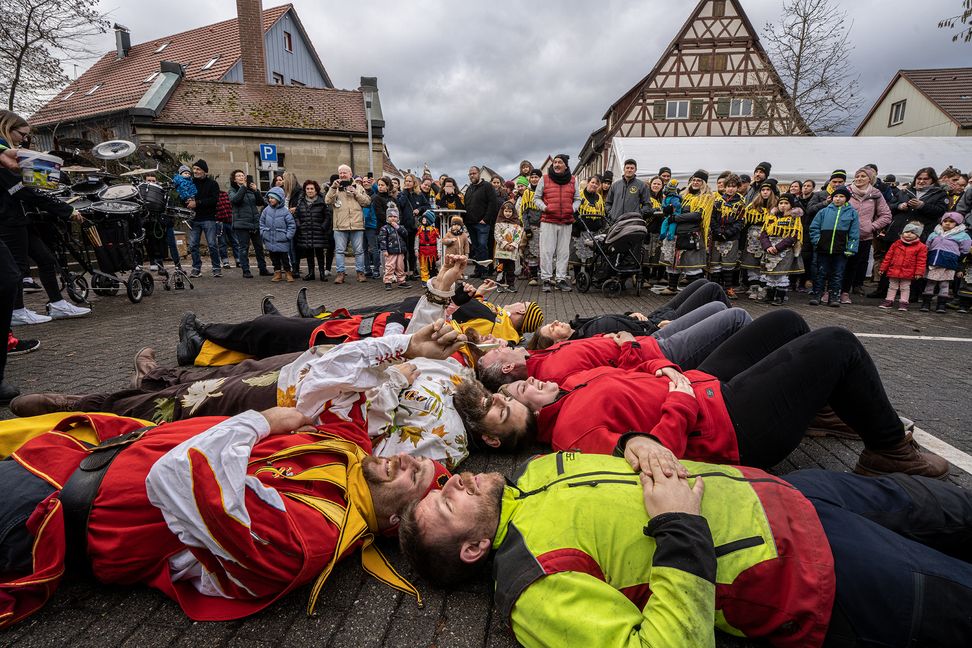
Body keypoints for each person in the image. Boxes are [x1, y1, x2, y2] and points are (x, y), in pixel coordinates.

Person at [401, 450, 972, 647]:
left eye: (443, 487)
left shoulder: (535, 471)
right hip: (807, 572)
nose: (453, 481)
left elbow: (622, 453)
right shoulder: (533, 584)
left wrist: (638, 440)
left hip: (798, 490)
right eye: (448, 504)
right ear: (474, 549)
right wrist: (678, 525)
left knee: (957, 510)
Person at [0, 405, 451, 628]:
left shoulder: (311, 538)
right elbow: (325, 378)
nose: (407, 460)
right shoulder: (354, 459)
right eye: (416, 459)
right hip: (63, 452)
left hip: (41, 511)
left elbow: (177, 478)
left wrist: (259, 421)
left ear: (394, 523)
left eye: (415, 477)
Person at [453, 307, 947, 478]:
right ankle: (889, 452)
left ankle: (815, 406)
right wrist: (681, 396)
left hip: (706, 385)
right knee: (837, 343)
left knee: (787, 322)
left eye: (512, 386)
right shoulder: (574, 438)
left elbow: (633, 355)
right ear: (500, 439)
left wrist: (668, 370)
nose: (520, 388)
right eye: (508, 401)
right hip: (732, 428)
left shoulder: (565, 385)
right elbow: (660, 453)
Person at [481, 302, 751, 393]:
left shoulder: (538, 357)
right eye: (493, 350)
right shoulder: (551, 374)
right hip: (656, 353)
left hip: (650, 340)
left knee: (716, 306)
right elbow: (616, 376)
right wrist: (626, 342)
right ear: (506, 366)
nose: (498, 344)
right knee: (735, 317)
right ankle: (751, 366)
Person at [842, 167, 891, 303]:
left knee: (857, 263)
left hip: (864, 236)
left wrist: (872, 227)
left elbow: (886, 215)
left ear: (870, 179)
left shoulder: (876, 194)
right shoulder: (845, 191)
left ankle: (853, 287)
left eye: (863, 176)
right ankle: (837, 289)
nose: (859, 178)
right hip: (844, 235)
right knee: (842, 263)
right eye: (857, 176)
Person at [660, 170, 713, 293]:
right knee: (673, 262)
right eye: (694, 180)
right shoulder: (683, 195)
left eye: (699, 180)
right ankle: (672, 287)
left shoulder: (706, 197)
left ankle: (698, 291)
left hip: (691, 234)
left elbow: (697, 215)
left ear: (704, 183)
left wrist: (676, 218)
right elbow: (674, 209)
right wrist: (668, 210)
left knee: (691, 264)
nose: (695, 182)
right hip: (676, 233)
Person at [533, 154, 579, 292]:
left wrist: (572, 208)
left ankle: (560, 279)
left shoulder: (573, 180)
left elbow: (578, 198)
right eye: (555, 162)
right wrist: (545, 208)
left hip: (566, 221)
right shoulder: (545, 179)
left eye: (560, 162)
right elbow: (536, 198)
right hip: (548, 221)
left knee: (563, 252)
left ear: (565, 165)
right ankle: (546, 279)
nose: (557, 165)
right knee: (547, 251)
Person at [808, 186, 858, 307]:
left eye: (841, 196)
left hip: (841, 250)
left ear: (846, 199)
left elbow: (854, 233)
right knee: (821, 273)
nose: (838, 199)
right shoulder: (824, 211)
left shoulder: (852, 213)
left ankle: (834, 296)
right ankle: (817, 295)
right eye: (836, 196)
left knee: (837, 274)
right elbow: (814, 228)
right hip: (823, 249)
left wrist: (851, 248)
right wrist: (818, 241)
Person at [326, 165, 371, 283]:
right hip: (340, 225)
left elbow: (366, 202)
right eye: (340, 173)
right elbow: (327, 201)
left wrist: (355, 192)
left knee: (359, 251)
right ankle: (340, 274)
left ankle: (360, 273)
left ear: (350, 174)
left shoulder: (359, 187)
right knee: (340, 251)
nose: (342, 175)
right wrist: (332, 188)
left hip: (356, 224)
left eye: (344, 173)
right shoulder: (334, 188)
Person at [759, 192, 804, 305]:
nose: (783, 205)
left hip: (784, 250)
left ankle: (780, 297)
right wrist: (767, 246)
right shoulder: (771, 217)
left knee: (781, 274)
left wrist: (778, 247)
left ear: (791, 205)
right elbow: (764, 232)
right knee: (769, 273)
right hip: (769, 249)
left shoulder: (794, 219)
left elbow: (794, 235)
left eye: (786, 203)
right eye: (781, 203)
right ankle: (769, 295)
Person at [920, 212, 970, 313]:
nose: (947, 223)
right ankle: (926, 303)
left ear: (957, 224)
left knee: (944, 284)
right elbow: (927, 246)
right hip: (934, 262)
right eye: (945, 221)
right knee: (930, 283)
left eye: (951, 222)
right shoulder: (935, 233)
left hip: (948, 264)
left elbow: (965, 249)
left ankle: (941, 304)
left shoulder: (962, 235)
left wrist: (957, 261)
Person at [707, 173, 745, 298]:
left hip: (732, 237)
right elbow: (711, 218)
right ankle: (714, 288)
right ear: (724, 187)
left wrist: (728, 232)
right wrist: (717, 230)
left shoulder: (741, 202)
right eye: (728, 186)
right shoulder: (717, 200)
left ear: (738, 187)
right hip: (717, 236)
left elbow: (741, 221)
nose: (731, 189)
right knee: (715, 264)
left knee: (728, 264)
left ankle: (728, 288)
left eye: (734, 186)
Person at [740, 179, 778, 299]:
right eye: (763, 190)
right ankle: (754, 286)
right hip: (753, 238)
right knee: (752, 262)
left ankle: (763, 287)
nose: (765, 192)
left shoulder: (777, 206)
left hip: (769, 238)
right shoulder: (753, 205)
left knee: (765, 263)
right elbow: (745, 222)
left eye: (768, 190)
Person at [227, 170, 269, 278]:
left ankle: (263, 269)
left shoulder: (250, 190)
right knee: (244, 248)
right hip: (241, 224)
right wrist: (243, 187)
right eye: (238, 176)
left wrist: (256, 190)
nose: (241, 177)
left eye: (243, 175)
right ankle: (246, 270)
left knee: (259, 247)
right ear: (234, 179)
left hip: (254, 222)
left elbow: (261, 202)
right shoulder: (232, 190)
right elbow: (235, 200)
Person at [185, 159, 222, 278]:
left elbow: (214, 200)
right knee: (193, 245)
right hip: (194, 218)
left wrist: (198, 203)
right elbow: (185, 198)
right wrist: (186, 201)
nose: (195, 171)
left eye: (198, 169)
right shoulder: (189, 183)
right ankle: (196, 268)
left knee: (211, 244)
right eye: (194, 169)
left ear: (204, 171)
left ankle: (216, 268)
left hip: (208, 218)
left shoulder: (212, 184)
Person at [878, 222, 927, 311]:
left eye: (913, 233)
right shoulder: (896, 243)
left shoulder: (921, 247)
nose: (909, 234)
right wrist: (883, 268)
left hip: (908, 271)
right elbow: (888, 257)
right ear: (902, 232)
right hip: (894, 269)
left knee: (905, 287)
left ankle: (904, 302)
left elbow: (921, 261)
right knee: (892, 286)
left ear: (918, 235)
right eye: (907, 231)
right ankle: (889, 300)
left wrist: (919, 272)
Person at [463, 167, 499, 278]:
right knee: (476, 247)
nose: (472, 176)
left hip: (482, 223)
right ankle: (478, 269)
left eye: (473, 173)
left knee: (483, 246)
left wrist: (486, 219)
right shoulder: (469, 188)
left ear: (479, 174)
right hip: (470, 223)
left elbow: (493, 203)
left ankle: (484, 270)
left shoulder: (487, 186)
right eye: (470, 174)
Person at [293, 180, 330, 282]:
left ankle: (322, 274)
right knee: (309, 254)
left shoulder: (322, 202)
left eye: (311, 189)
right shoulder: (301, 202)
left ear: (316, 190)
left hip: (319, 232)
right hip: (305, 232)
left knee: (320, 254)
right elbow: (296, 216)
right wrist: (299, 225)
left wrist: (323, 227)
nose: (309, 191)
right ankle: (311, 273)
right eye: (307, 189)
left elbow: (327, 216)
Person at [259, 186, 296, 283]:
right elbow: (261, 223)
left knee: (285, 259)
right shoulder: (266, 210)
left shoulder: (285, 211)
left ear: (279, 198)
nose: (270, 200)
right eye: (269, 198)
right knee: (274, 258)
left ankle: (288, 273)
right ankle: (277, 273)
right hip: (270, 239)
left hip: (282, 240)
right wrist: (263, 232)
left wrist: (287, 236)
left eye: (272, 198)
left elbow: (291, 225)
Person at [604, 158, 650, 226]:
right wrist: (611, 213)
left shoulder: (642, 185)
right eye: (627, 168)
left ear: (635, 170)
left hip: (632, 223)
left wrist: (638, 214)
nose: (629, 170)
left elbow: (647, 204)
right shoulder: (615, 185)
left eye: (632, 168)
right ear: (624, 169)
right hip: (615, 222)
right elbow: (608, 203)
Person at [516, 168, 543, 284]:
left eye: (536, 177)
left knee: (544, 251)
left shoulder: (544, 192)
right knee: (532, 252)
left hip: (545, 225)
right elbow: (524, 212)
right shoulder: (527, 193)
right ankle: (533, 276)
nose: (534, 179)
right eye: (532, 177)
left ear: (540, 178)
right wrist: (527, 228)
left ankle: (545, 275)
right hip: (532, 225)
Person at [493, 201, 523, 292]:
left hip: (511, 251)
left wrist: (513, 245)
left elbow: (518, 235)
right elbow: (497, 235)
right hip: (501, 250)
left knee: (511, 268)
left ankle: (511, 284)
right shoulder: (499, 223)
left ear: (513, 212)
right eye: (506, 211)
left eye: (510, 211)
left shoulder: (516, 224)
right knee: (500, 267)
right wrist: (505, 244)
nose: (508, 213)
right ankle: (500, 284)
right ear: (502, 211)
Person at [379, 206, 409, 289]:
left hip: (400, 251)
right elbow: (382, 240)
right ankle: (388, 281)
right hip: (390, 251)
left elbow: (405, 234)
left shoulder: (400, 227)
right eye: (390, 216)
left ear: (398, 218)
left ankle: (401, 281)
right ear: (387, 218)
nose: (393, 218)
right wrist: (384, 250)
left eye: (395, 217)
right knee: (390, 266)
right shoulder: (385, 228)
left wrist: (398, 227)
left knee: (400, 267)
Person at [416, 210, 440, 282]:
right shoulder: (420, 230)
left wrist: (439, 251)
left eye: (425, 219)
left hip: (432, 250)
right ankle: (424, 279)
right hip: (422, 250)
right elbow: (416, 240)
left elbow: (438, 241)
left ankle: (432, 279)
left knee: (432, 265)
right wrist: (416, 249)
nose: (423, 220)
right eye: (423, 218)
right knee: (423, 266)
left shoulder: (435, 230)